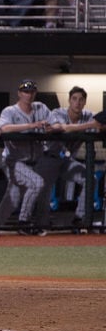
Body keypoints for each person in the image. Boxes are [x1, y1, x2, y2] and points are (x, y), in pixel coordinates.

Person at [0, 80, 53, 236]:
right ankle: (24, 222)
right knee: (37, 183)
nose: (29, 94)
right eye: (26, 91)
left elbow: (54, 125)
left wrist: (49, 128)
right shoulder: (10, 111)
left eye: (32, 91)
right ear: (19, 93)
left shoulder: (41, 108)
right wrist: (32, 126)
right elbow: (5, 128)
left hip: (34, 161)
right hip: (13, 162)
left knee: (12, 198)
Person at [45, 85, 101, 232]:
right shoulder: (58, 112)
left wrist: (93, 124)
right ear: (69, 100)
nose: (77, 102)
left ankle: (79, 218)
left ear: (85, 102)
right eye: (74, 99)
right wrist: (89, 126)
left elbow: (101, 124)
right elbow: (61, 128)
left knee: (91, 179)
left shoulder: (87, 115)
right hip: (48, 158)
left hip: (66, 162)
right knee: (38, 187)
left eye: (81, 100)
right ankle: (37, 221)